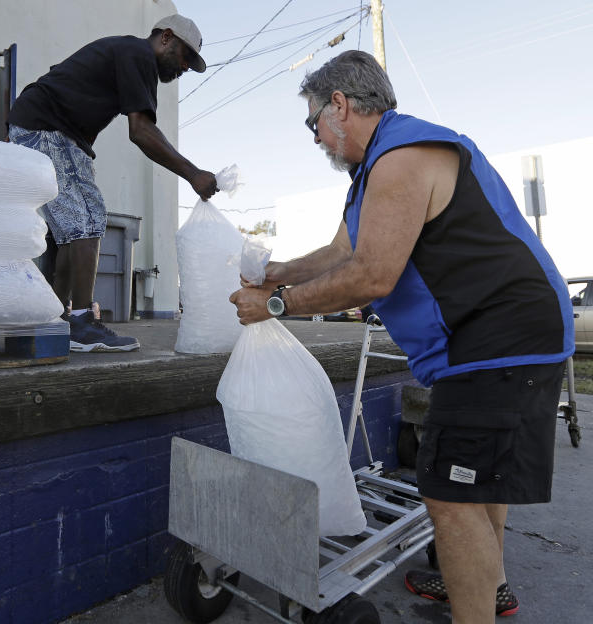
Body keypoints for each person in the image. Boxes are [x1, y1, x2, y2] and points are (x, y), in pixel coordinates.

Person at [230, 50, 573, 623]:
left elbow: (372, 275)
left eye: (312, 122)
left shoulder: (402, 156)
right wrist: (278, 273)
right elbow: (342, 253)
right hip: (498, 338)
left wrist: (274, 306)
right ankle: (492, 591)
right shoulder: (373, 172)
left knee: (450, 494)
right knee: (478, 483)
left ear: (338, 105)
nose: (314, 138)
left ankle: (477, 610)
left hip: (497, 339)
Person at [8, 14, 218, 352]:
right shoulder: (138, 55)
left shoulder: (127, 54)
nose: (185, 68)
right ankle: (80, 322)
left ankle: (56, 319)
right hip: (46, 125)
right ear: (165, 37)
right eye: (185, 57)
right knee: (90, 217)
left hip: (47, 127)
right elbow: (141, 131)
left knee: (72, 231)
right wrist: (193, 174)